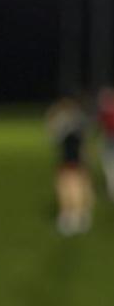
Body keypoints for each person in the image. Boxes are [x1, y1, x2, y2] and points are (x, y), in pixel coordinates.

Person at [46, 96, 93, 235]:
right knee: (75, 186)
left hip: (71, 159)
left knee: (71, 187)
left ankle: (74, 216)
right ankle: (77, 215)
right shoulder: (80, 120)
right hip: (74, 159)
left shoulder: (66, 122)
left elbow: (52, 135)